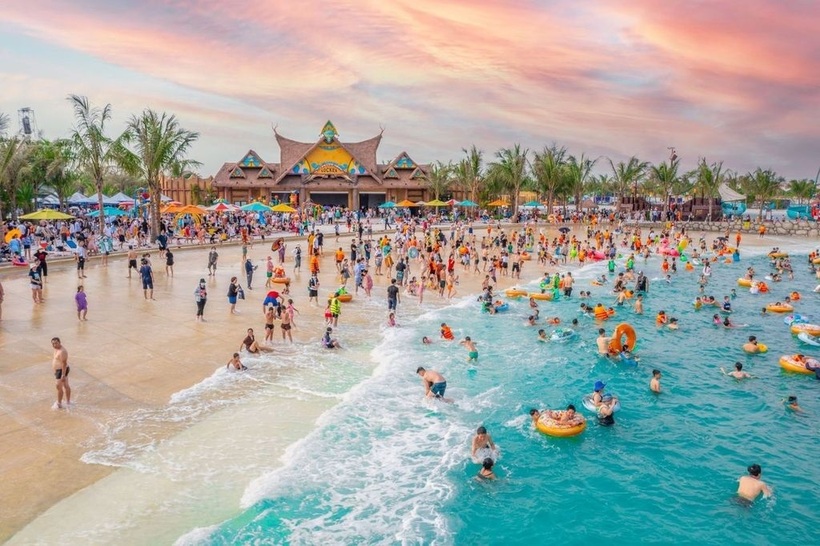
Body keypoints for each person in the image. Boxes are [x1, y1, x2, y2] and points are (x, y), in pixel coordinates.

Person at [51, 337, 71, 409]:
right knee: (65, 385)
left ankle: (59, 403)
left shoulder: (62, 351)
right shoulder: (56, 349)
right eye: (53, 344)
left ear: (60, 342)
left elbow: (64, 363)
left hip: (61, 370)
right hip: (58, 371)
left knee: (58, 387)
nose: (54, 345)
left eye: (56, 343)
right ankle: (68, 402)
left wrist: (63, 374)